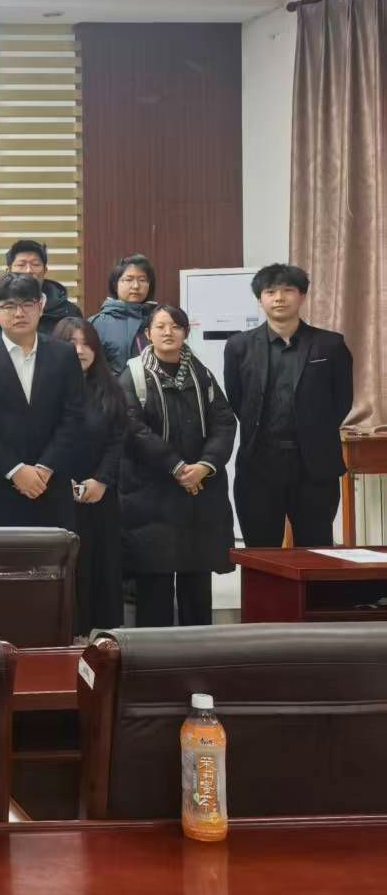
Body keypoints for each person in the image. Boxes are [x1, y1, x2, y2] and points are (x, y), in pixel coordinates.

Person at [120, 304, 237, 628]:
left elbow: (224, 422)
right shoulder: (133, 375)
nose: (168, 332)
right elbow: (132, 428)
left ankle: (200, 650)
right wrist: (176, 467)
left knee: (197, 582)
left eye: (175, 326)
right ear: (148, 334)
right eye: (160, 326)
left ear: (186, 331)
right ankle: (153, 654)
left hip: (198, 492)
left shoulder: (202, 374)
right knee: (154, 584)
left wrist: (205, 465)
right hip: (151, 493)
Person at [224, 263, 354, 548]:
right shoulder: (238, 346)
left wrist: (314, 430)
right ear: (260, 299)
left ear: (302, 296)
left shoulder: (330, 345)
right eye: (270, 292)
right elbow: (237, 398)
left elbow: (342, 399)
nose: (279, 298)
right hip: (259, 463)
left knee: (316, 549)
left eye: (288, 290)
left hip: (314, 464)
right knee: (261, 550)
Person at [0, 273, 88, 529]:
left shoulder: (64, 355)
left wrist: (45, 467)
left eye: (27, 304)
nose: (19, 313)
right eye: (9, 306)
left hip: (51, 485)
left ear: (40, 307)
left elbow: (74, 416)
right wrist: (15, 470)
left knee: (55, 555)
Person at [50, 318, 131, 635]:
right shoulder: (46, 390)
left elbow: (117, 439)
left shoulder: (111, 389)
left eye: (87, 343)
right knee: (67, 565)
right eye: (72, 343)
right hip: (56, 491)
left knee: (99, 563)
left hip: (100, 493)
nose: (80, 350)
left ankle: (94, 638)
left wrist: (102, 480)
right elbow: (42, 438)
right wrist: (60, 478)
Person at [0, 239, 81, 345]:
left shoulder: (68, 311)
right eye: (21, 265)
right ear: (9, 271)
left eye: (35, 264)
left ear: (45, 270)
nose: (29, 270)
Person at [89, 254, 157, 375]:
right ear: (115, 284)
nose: (136, 286)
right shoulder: (97, 324)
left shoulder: (159, 320)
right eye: (129, 279)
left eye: (142, 280)